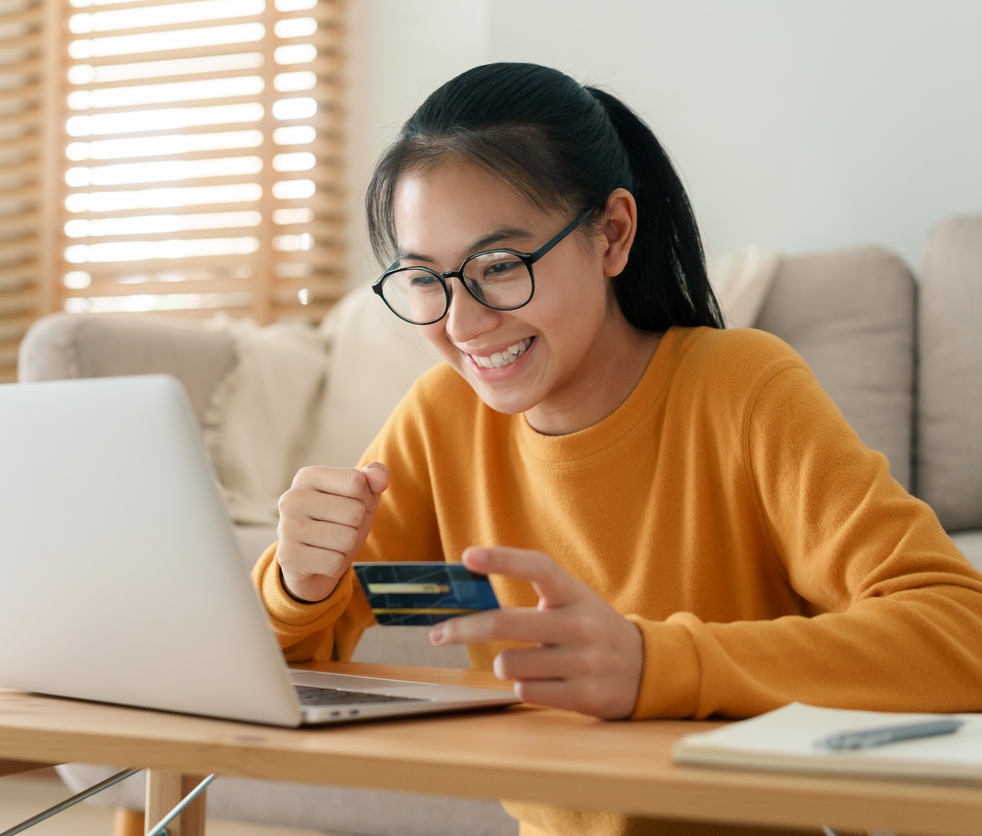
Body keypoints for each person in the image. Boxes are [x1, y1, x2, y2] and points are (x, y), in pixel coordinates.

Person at [250, 62, 982, 836]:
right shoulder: (443, 420)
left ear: (612, 234)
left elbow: (957, 633)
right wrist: (298, 585)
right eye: (426, 279)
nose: (462, 325)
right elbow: (300, 655)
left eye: (500, 266)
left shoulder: (741, 388)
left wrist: (652, 663)